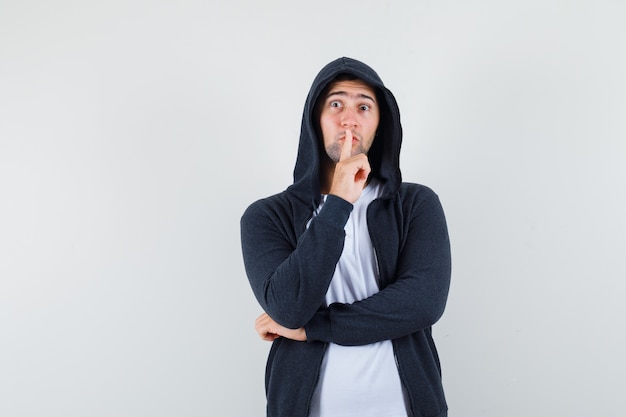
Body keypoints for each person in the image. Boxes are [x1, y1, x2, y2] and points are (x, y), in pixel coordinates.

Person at [240, 57, 452, 417]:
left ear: (380, 124)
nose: (349, 118)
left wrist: (313, 328)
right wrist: (337, 202)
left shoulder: (416, 204)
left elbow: (423, 303)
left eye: (363, 106)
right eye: (335, 103)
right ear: (315, 120)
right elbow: (289, 307)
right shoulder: (266, 216)